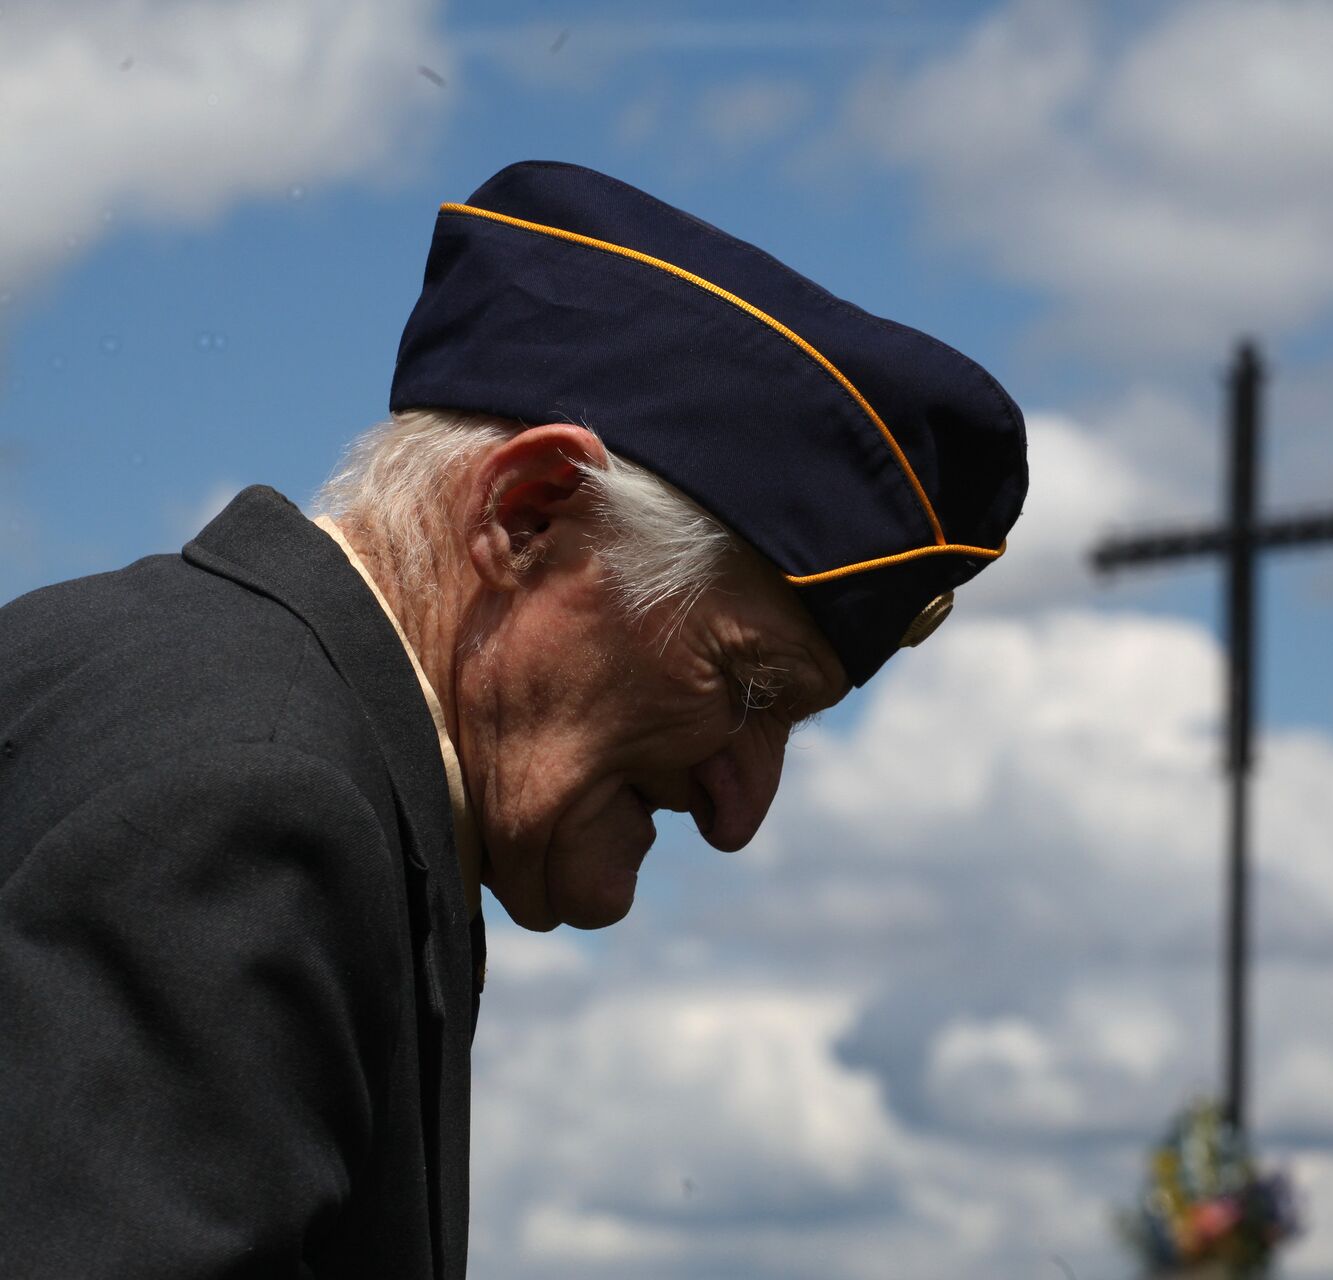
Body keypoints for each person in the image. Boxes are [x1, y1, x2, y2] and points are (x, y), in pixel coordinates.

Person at [0, 160, 1027, 1278]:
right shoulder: (254, 800)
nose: (740, 811)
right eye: (748, 686)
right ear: (527, 514)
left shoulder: (252, 726)